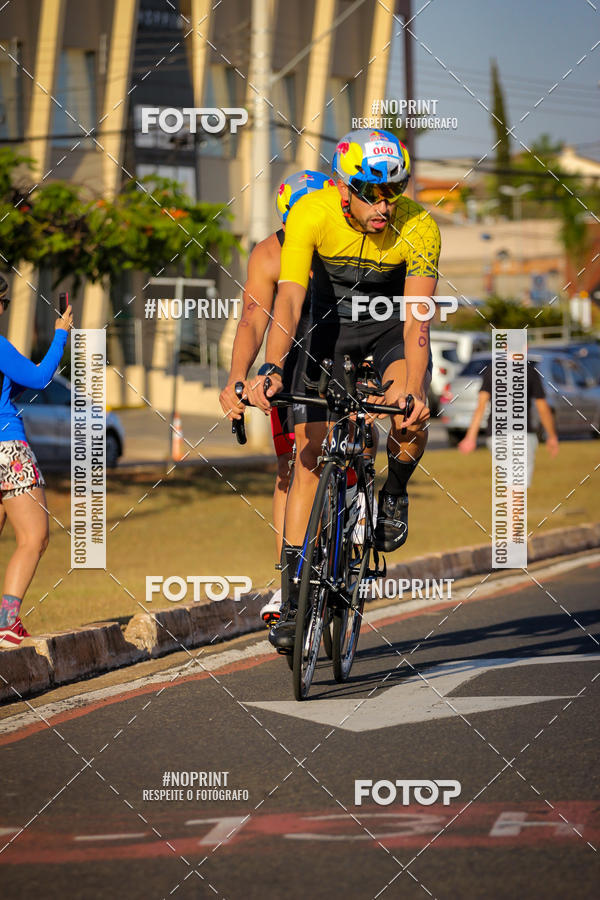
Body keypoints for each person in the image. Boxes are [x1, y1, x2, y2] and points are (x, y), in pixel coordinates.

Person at [251, 128, 441, 649]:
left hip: (386, 331)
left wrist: (415, 386)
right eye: (372, 193)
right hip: (326, 332)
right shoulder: (312, 212)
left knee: (407, 415)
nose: (384, 205)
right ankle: (292, 599)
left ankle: (395, 490)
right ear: (344, 186)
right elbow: (287, 302)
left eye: (394, 191)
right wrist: (271, 366)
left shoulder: (420, 226)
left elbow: (417, 319)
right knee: (308, 458)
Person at [219, 170, 332, 625]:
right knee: (290, 467)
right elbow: (251, 318)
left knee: (349, 442)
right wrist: (236, 378)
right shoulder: (268, 253)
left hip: (342, 346)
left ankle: (356, 503)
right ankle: (289, 581)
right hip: (288, 360)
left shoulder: (344, 245)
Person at [0, 275, 73, 646]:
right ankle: (6, 622)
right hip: (6, 449)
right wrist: (60, 332)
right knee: (34, 537)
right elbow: (42, 377)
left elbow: (17, 381)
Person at [458, 359, 559, 481]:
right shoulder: (530, 371)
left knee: (507, 484)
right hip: (522, 436)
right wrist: (551, 436)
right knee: (517, 488)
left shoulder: (492, 370)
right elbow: (542, 408)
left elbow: (481, 407)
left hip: (497, 437)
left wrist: (470, 437)